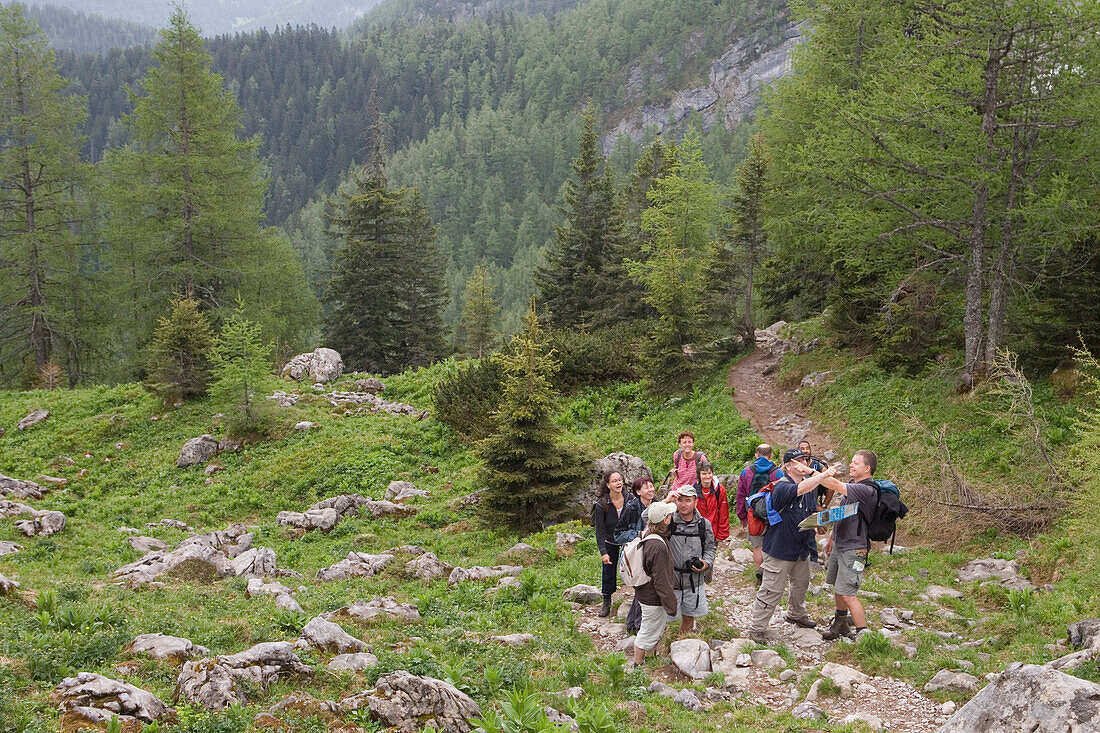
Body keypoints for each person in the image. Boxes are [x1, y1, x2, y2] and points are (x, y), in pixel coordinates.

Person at [747, 449, 838, 643]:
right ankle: (757, 628)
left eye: (805, 459)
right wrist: (822, 475)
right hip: (779, 548)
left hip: (801, 547)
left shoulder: (809, 489)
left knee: (801, 583)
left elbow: (808, 510)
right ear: (787, 465)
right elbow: (800, 489)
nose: (803, 463)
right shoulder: (782, 486)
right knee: (771, 589)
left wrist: (818, 524)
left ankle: (796, 614)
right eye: (798, 461)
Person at [816, 449, 880, 640]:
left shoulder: (866, 489)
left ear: (867, 468)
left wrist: (810, 471)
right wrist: (832, 538)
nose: (851, 465)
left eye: (855, 463)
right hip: (841, 544)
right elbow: (843, 513)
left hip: (855, 548)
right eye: (851, 462)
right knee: (838, 587)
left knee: (849, 593)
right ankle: (841, 623)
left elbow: (832, 484)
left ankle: (863, 635)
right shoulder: (853, 484)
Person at [630, 501, 678, 670]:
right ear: (664, 520)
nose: (671, 517)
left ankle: (648, 661)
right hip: (652, 598)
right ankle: (637, 666)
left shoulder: (648, 534)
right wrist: (671, 605)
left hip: (644, 592)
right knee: (646, 632)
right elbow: (662, 581)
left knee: (650, 629)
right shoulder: (658, 546)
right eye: (668, 515)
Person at [665, 485, 716, 633]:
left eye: (688, 500)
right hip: (671, 579)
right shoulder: (668, 521)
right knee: (664, 618)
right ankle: (661, 647)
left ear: (695, 502)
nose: (683, 504)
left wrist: (706, 563)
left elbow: (710, 548)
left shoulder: (703, 524)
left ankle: (683, 641)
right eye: (680, 500)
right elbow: (647, 518)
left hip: (694, 581)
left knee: (689, 616)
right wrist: (666, 501)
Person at [614, 474, 657, 634]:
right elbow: (618, 534)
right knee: (642, 586)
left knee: (645, 586)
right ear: (638, 492)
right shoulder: (631, 508)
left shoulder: (657, 504)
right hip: (636, 554)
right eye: (646, 487)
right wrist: (639, 534)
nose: (651, 489)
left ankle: (633, 623)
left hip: (651, 552)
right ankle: (636, 624)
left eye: (651, 486)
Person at [735, 444, 781, 582]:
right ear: (771, 455)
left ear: (756, 455)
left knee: (757, 545)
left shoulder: (746, 471)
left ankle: (759, 572)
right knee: (773, 543)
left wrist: (742, 516)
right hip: (773, 514)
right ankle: (771, 575)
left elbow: (740, 494)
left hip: (753, 514)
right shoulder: (777, 473)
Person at [592, 470, 626, 617]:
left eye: (619, 480)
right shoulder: (602, 504)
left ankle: (637, 598)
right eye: (614, 481)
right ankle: (606, 601)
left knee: (632, 568)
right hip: (610, 540)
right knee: (608, 571)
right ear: (608, 485)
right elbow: (599, 530)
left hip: (626, 539)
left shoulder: (630, 498)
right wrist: (603, 552)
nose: (618, 483)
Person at [694, 462, 730, 543]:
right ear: (699, 475)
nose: (707, 476)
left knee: (710, 555)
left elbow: (723, 513)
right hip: (696, 532)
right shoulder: (693, 489)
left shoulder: (720, 490)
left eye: (709, 473)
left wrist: (722, 534)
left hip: (713, 531)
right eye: (704, 474)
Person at [798, 439, 831, 509]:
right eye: (802, 449)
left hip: (813, 506)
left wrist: (824, 506)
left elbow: (831, 485)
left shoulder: (817, 465)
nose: (805, 451)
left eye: (807, 448)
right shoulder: (792, 467)